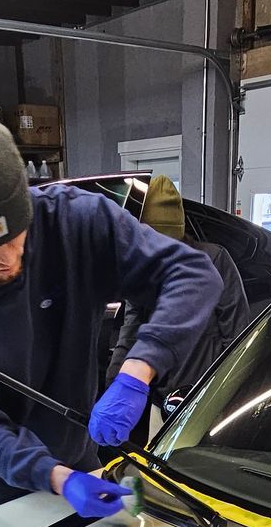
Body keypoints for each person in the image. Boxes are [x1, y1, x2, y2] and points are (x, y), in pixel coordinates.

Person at [0, 116, 224, 518]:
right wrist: (56, 477)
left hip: (79, 455)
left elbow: (192, 274)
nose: (9, 258)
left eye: (15, 236)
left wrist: (138, 371)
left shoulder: (76, 222)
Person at [106, 174, 251, 435]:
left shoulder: (214, 262)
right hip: (162, 402)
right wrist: (115, 386)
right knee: (154, 471)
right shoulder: (140, 272)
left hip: (206, 401)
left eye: (169, 245)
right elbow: (130, 334)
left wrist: (220, 399)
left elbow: (238, 339)